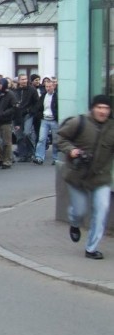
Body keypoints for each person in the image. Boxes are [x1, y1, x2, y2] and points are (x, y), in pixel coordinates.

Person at [57, 95, 114, 259]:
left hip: (101, 178)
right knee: (79, 211)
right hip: (77, 177)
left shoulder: (112, 127)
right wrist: (71, 150)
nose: (103, 111)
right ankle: (74, 223)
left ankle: (91, 248)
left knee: (101, 210)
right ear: (93, 108)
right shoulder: (79, 122)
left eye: (106, 108)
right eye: (99, 107)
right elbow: (61, 138)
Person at [33, 78, 58, 165]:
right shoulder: (44, 95)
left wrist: (57, 117)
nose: (48, 88)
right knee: (41, 139)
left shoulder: (57, 96)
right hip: (44, 120)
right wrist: (40, 115)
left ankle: (56, 158)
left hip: (54, 120)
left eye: (50, 86)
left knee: (56, 140)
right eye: (46, 86)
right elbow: (38, 107)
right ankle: (39, 157)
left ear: (53, 86)